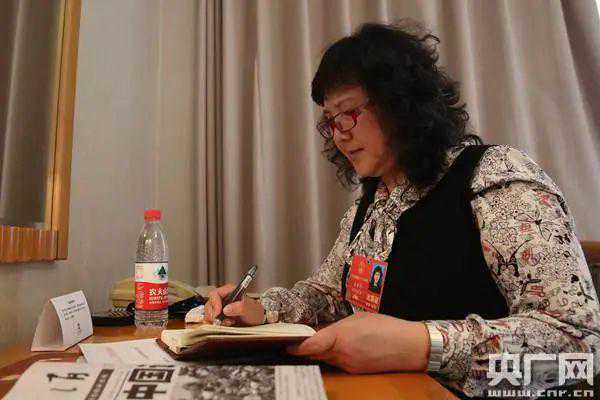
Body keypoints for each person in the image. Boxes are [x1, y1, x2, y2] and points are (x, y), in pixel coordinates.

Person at [204, 21, 600, 397]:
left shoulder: (495, 178)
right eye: (330, 122)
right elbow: (330, 295)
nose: (340, 136)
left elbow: (581, 350)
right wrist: (262, 310)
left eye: (349, 114)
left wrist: (421, 344)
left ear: (401, 103)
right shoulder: (372, 202)